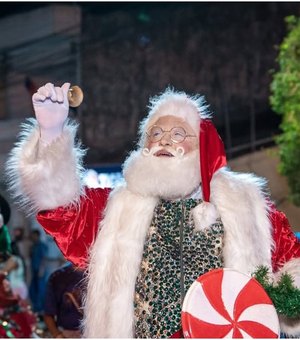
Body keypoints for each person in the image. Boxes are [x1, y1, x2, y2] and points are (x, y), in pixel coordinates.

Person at [5, 82, 300, 338]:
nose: (164, 140)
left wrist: (286, 295)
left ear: (203, 145)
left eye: (178, 133)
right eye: (155, 133)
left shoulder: (245, 205)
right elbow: (62, 211)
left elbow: (290, 265)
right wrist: (51, 136)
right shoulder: (116, 208)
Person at [43, 262, 85, 338]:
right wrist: (58, 335)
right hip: (65, 333)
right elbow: (48, 314)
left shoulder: (100, 278)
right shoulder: (57, 277)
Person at [29, 229, 48, 313]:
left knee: (40, 290)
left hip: (40, 271)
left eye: (34, 235)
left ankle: (41, 309)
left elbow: (44, 259)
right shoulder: (33, 246)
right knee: (33, 289)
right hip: (34, 271)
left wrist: (41, 270)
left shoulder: (42, 246)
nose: (32, 237)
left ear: (37, 235)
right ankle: (36, 308)